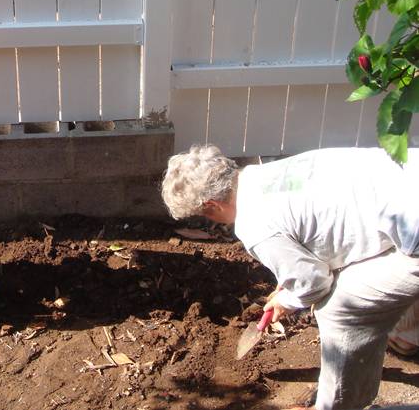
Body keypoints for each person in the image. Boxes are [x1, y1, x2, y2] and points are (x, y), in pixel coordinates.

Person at [161, 145, 419, 410]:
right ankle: (409, 335)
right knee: (371, 276)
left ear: (211, 205)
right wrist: (290, 278)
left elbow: (314, 284)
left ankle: (338, 405)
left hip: (415, 231)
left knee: (341, 309)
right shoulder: (267, 173)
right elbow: (320, 229)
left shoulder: (254, 225)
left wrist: (289, 299)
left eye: (205, 216)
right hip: (410, 176)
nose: (211, 222)